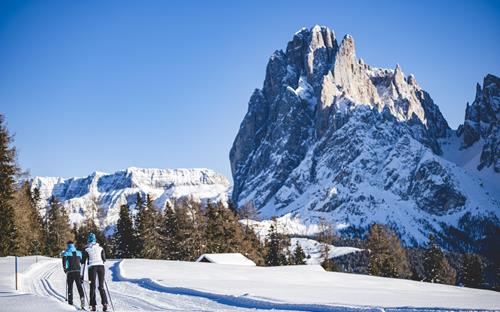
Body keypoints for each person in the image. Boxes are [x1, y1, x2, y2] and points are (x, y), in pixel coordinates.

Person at [82, 233, 108, 312]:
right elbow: (104, 259)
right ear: (95, 239)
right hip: (101, 267)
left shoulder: (86, 249)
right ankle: (105, 303)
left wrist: (81, 275)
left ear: (88, 240)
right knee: (101, 286)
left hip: (92, 268)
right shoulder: (101, 248)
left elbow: (83, 262)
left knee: (92, 286)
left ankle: (93, 306)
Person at [61, 240, 85, 309]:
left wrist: (65, 270)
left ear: (68, 245)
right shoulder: (79, 253)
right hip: (78, 271)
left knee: (70, 287)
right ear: (73, 245)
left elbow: (64, 263)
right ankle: (82, 298)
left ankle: (70, 302)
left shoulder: (66, 253)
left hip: (70, 272)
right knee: (79, 286)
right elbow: (82, 262)